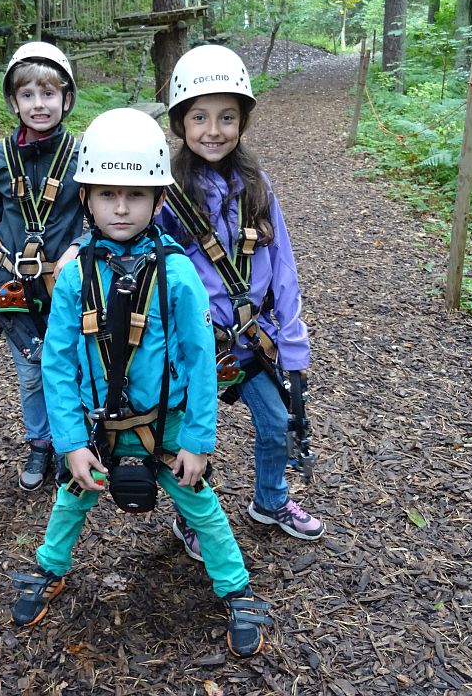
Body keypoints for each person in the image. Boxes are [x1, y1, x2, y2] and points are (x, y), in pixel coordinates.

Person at [10, 108, 273, 658]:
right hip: (98, 426)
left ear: (158, 200)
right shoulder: (75, 273)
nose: (122, 207)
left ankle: (238, 589)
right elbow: (57, 362)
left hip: (168, 424)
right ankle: (50, 567)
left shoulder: (177, 274)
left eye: (135, 195)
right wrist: (71, 442)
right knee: (72, 496)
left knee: (201, 503)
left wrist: (200, 440)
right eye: (107, 195)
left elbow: (202, 363)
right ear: (86, 198)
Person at [158, 44, 325, 561]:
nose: (214, 130)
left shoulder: (256, 187)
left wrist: (291, 339)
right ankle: (192, 517)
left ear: (242, 122)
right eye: (200, 117)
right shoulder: (169, 192)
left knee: (277, 425)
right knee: (186, 440)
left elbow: (283, 266)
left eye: (227, 117)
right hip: (195, 345)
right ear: (181, 122)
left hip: (251, 341)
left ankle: (270, 500)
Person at [0, 41, 83, 491]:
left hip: (69, 282)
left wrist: (82, 246)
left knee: (70, 364)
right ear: (13, 101)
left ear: (66, 98)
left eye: (48, 93)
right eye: (28, 95)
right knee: (30, 372)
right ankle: (41, 441)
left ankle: (74, 441)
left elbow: (104, 217)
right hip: (13, 286)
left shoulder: (81, 155)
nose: (39, 104)